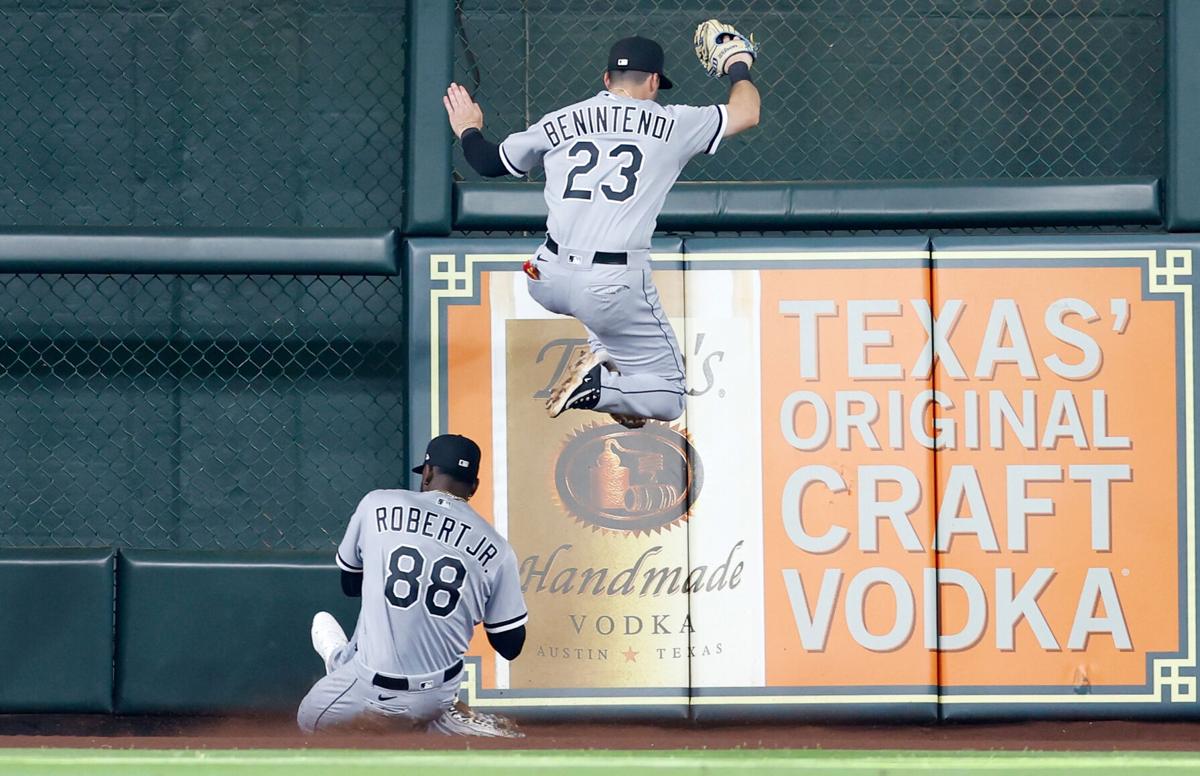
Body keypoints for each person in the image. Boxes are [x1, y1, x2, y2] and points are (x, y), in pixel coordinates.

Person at [443, 32, 760, 426]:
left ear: (606, 80)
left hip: (546, 276)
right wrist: (737, 64)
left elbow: (490, 163)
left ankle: (609, 366)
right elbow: (746, 112)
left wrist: (468, 128)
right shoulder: (673, 122)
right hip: (611, 283)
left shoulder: (560, 119)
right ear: (655, 82)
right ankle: (602, 387)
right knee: (668, 396)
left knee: (605, 316)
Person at [296, 434, 527, 737]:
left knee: (308, 720)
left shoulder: (378, 503)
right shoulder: (498, 549)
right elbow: (510, 645)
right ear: (474, 487)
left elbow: (350, 584)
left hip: (370, 684)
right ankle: (445, 717)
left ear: (428, 473)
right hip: (437, 692)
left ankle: (341, 664)